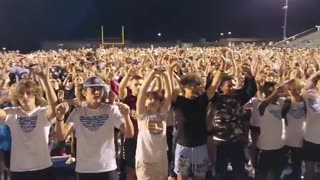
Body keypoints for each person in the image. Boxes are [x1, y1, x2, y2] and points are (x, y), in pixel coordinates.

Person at [55, 76, 134, 180]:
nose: (97, 92)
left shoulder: (111, 110)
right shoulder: (77, 113)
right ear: (84, 92)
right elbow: (61, 136)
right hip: (85, 169)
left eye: (100, 89)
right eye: (93, 89)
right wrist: (60, 117)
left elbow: (129, 134)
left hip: (107, 168)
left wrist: (126, 116)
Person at [172, 51, 226, 180]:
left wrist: (223, 65)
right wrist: (170, 71)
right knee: (182, 177)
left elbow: (214, 85)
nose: (196, 86)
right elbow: (171, 89)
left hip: (200, 147)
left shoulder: (201, 100)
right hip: (183, 147)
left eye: (197, 84)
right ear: (184, 86)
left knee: (199, 177)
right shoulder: (178, 101)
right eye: (193, 84)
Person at [0, 63, 58, 180]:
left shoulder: (42, 112)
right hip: (19, 170)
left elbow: (55, 107)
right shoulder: (11, 113)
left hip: (43, 168)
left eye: (29, 93)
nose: (25, 97)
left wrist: (45, 80)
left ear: (35, 95)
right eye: (21, 93)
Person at [210, 64, 257, 180]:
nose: (232, 88)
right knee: (220, 171)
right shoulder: (216, 99)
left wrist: (250, 76)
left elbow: (250, 91)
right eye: (229, 86)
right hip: (219, 142)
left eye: (233, 85)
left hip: (235, 140)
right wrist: (212, 75)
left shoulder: (238, 98)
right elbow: (209, 88)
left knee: (239, 170)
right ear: (221, 87)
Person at [135, 65, 173, 180]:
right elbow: (141, 93)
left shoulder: (162, 114)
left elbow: (169, 94)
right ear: (145, 102)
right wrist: (152, 73)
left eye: (155, 99)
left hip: (161, 160)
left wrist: (166, 75)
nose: (152, 101)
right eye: (149, 98)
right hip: (145, 161)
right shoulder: (142, 115)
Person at [256, 82, 288, 180]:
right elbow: (264, 103)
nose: (274, 93)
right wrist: (276, 92)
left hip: (279, 146)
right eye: (271, 91)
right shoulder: (261, 105)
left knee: (276, 174)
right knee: (263, 174)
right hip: (265, 147)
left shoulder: (281, 103)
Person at [282, 79, 306, 180]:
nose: (293, 91)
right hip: (285, 140)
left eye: (295, 88)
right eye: (290, 89)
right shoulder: (285, 102)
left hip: (300, 140)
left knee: (297, 167)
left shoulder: (307, 103)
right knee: (282, 166)